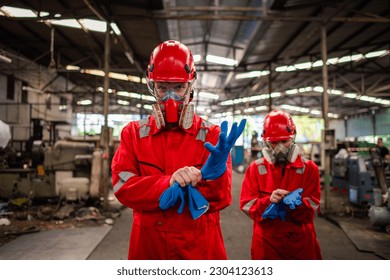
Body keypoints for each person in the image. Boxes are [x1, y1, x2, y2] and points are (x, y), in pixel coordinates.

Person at [111, 40, 243, 260]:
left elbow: (221, 200)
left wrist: (217, 174)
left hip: (198, 247)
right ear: (152, 87)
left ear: (191, 87)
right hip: (150, 248)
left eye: (178, 88)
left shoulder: (212, 135)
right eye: (162, 87)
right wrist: (169, 182)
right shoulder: (133, 134)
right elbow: (123, 188)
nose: (170, 98)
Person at [240, 110, 322, 260]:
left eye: (284, 141)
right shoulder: (255, 169)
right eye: (274, 142)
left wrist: (297, 204)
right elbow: (247, 205)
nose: (280, 148)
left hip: (301, 244)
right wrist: (268, 202)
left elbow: (313, 206)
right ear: (265, 141)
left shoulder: (309, 169)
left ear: (293, 138)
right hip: (267, 244)